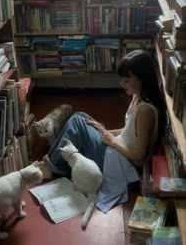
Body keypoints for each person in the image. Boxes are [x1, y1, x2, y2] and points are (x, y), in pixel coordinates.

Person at [38, 49, 167, 212]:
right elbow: (129, 130)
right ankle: (55, 161)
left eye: (127, 80)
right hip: (118, 151)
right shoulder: (137, 95)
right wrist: (106, 131)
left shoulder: (145, 111)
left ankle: (51, 166)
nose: (122, 84)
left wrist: (112, 140)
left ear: (142, 79)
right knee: (85, 119)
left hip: (122, 165)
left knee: (78, 121)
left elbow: (139, 155)